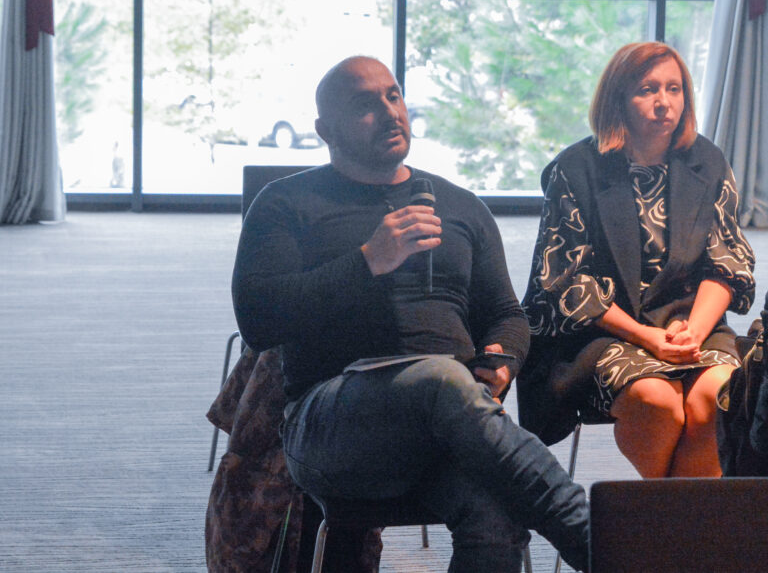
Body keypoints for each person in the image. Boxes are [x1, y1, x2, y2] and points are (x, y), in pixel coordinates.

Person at [232, 55, 588, 572]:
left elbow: (506, 314)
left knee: (495, 514)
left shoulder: (462, 205)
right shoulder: (287, 203)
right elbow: (257, 320)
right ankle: (599, 540)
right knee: (440, 379)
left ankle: (601, 542)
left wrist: (502, 358)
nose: (389, 112)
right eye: (365, 104)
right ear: (325, 130)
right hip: (331, 425)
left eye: (393, 95)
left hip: (452, 425)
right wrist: (367, 261)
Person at [520, 42, 756, 479]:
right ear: (618, 100)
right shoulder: (576, 168)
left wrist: (694, 332)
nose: (664, 102)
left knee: (717, 396)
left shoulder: (707, 161)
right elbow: (564, 281)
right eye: (647, 90)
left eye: (673, 89)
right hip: (605, 333)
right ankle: (674, 518)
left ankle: (663, 519)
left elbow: (727, 262)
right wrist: (647, 337)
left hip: (692, 327)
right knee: (657, 401)